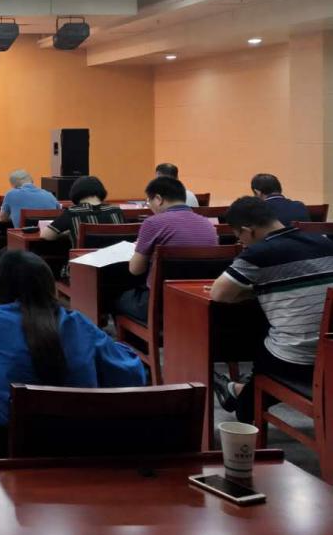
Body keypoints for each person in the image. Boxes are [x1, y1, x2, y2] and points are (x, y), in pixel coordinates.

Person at [0, 251, 146, 438]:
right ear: (48, 284)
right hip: (82, 444)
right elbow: (131, 375)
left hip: (10, 447)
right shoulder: (78, 323)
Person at [210, 196, 333, 421]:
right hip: (330, 351)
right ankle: (239, 389)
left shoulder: (259, 254)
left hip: (297, 359)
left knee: (259, 345)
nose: (241, 243)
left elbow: (218, 293)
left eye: (239, 236)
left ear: (248, 230)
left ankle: (241, 397)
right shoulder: (324, 242)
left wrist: (255, 291)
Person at [118, 175, 219, 322]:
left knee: (118, 298)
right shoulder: (209, 225)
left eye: (149, 201)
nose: (149, 206)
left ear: (158, 199)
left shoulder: (153, 223)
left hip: (159, 303)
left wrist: (140, 248)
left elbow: (135, 269)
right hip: (197, 300)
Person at [41, 176, 126, 244]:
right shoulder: (116, 211)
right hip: (117, 260)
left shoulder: (72, 213)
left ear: (75, 193)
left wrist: (69, 233)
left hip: (84, 260)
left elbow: (46, 235)